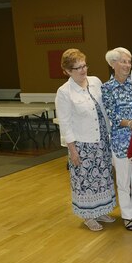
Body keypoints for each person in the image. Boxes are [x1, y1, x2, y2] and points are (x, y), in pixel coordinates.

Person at [55, 48, 117, 231]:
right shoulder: (64, 92)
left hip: (101, 140)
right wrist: (72, 150)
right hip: (82, 144)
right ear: (67, 71)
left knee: (102, 179)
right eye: (77, 68)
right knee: (85, 182)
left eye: (84, 65)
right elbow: (65, 123)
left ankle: (100, 210)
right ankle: (87, 216)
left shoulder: (95, 82)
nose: (83, 70)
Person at [101, 47, 132, 231]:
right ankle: (127, 216)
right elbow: (112, 116)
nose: (127, 65)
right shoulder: (107, 88)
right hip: (120, 141)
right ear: (113, 64)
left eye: (129, 61)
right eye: (123, 61)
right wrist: (129, 123)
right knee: (123, 181)